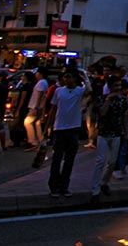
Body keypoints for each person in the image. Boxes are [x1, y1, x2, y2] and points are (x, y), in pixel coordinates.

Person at [46, 70, 85, 198]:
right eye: (64, 77)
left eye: (69, 76)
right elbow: (53, 109)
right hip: (59, 128)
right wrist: (48, 126)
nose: (66, 79)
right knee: (57, 158)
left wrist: (84, 75)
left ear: (74, 79)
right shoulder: (58, 91)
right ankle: (54, 186)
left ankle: (64, 185)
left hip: (73, 128)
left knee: (69, 159)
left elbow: (89, 90)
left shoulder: (79, 91)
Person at [90, 78, 128, 204]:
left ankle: (104, 182)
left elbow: (125, 115)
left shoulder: (123, 100)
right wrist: (108, 99)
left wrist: (126, 131)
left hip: (116, 133)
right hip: (103, 133)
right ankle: (95, 190)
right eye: (115, 85)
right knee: (100, 161)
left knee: (112, 161)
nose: (117, 88)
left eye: (119, 85)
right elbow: (102, 113)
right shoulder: (102, 99)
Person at [24, 69, 49, 150]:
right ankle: (40, 142)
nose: (36, 75)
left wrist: (36, 107)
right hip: (37, 106)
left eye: (37, 73)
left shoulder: (42, 83)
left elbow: (40, 95)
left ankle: (33, 141)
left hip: (35, 106)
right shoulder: (43, 82)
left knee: (27, 122)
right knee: (37, 124)